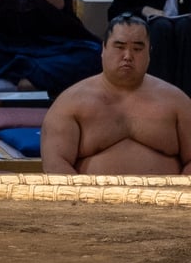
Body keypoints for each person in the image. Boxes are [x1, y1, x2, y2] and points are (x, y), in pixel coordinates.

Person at [41, 13, 191, 175]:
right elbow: (56, 165)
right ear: (103, 49)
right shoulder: (70, 104)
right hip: (89, 198)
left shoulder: (177, 103)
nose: (128, 56)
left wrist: (177, 197)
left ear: (149, 53)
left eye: (137, 49)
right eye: (119, 47)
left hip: (168, 198)